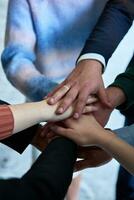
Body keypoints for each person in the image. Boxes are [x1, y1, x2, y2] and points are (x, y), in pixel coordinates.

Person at [1, 0, 133, 198]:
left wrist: (106, 138)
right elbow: (15, 58)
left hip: (77, 99)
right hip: (48, 95)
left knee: (72, 174)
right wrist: (59, 100)